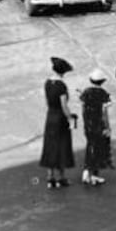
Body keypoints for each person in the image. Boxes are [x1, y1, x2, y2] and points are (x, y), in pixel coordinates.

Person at [40, 56, 77, 189]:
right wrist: (70, 118)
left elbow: (47, 102)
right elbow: (64, 106)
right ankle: (61, 177)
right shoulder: (61, 85)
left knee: (50, 146)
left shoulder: (47, 83)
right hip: (60, 118)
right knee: (62, 147)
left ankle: (50, 178)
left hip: (50, 116)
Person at [79, 70, 113, 186]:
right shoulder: (103, 94)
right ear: (102, 81)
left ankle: (86, 172)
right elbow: (104, 113)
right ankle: (94, 175)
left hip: (88, 125)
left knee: (90, 145)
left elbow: (83, 108)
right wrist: (108, 127)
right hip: (99, 125)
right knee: (98, 149)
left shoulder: (86, 92)